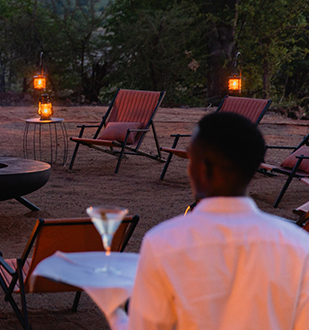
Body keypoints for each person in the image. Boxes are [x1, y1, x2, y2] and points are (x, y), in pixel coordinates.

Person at [111, 111, 309, 330]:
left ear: (202, 168)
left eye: (191, 159)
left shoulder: (164, 242)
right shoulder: (298, 244)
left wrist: (114, 311)